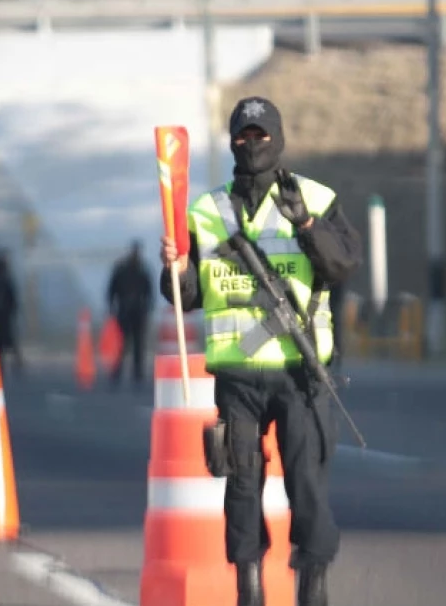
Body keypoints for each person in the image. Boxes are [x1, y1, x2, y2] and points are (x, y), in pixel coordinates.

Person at [159, 96, 363, 606]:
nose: (252, 144)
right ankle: (249, 592)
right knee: (242, 489)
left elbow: (342, 266)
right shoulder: (204, 211)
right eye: (243, 136)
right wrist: (174, 267)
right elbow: (185, 297)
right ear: (232, 142)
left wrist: (308, 229)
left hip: (301, 375)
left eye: (260, 135)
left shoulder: (315, 199)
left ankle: (311, 591)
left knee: (308, 488)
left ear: (278, 137)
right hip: (237, 378)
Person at [106, 240, 154, 386]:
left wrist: (147, 308)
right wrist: (113, 308)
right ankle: (121, 373)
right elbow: (112, 290)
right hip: (127, 311)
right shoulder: (126, 269)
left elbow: (148, 291)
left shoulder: (140, 269)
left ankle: (135, 374)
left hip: (135, 311)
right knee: (124, 344)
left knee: (136, 345)